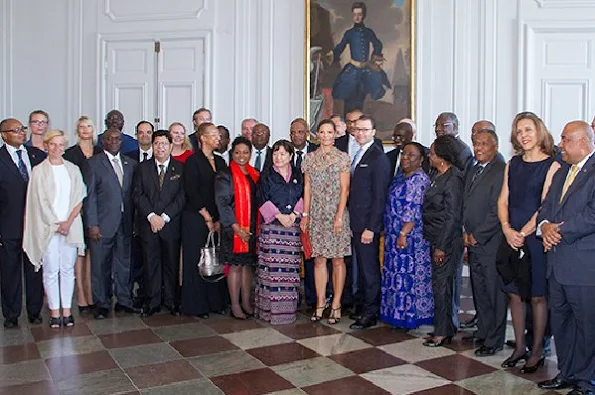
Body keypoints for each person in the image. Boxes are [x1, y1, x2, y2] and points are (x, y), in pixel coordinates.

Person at [497, 111, 559, 372]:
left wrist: (523, 232)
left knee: (537, 296)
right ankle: (520, 347)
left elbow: (545, 205)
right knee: (513, 292)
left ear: (539, 131)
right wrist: (507, 229)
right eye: (519, 131)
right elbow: (503, 200)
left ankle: (537, 352)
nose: (523, 135)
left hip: (534, 238)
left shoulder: (552, 164)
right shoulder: (513, 163)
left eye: (528, 130)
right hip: (511, 236)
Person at [537, 121, 595, 395]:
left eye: (565, 139)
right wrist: (545, 226)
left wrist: (558, 231)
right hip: (557, 265)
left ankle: (587, 382)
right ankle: (567, 373)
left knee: (587, 328)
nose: (560, 144)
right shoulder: (561, 172)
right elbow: (546, 207)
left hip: (584, 266)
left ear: (584, 142)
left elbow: (592, 215)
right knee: (561, 323)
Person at [23, 130, 86, 328]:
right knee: (50, 270)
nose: (57, 148)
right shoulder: (39, 171)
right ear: (47, 145)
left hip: (70, 226)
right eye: (53, 144)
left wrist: (67, 222)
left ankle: (67, 310)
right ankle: (54, 311)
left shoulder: (73, 169)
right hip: (47, 227)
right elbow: (38, 201)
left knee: (67, 269)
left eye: (61, 145)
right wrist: (55, 224)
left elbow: (79, 197)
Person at [301, 120, 351, 324]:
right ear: (317, 134)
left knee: (338, 260)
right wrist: (305, 215)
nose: (325, 135)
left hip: (336, 215)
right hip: (316, 215)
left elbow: (345, 190)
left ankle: (336, 303)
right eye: (322, 132)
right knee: (319, 259)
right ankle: (320, 303)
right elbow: (307, 188)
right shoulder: (309, 158)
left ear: (335, 134)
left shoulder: (342, 158)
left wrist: (339, 216)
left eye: (329, 132)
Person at [85, 128, 139, 319]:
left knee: (124, 264)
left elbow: (133, 196)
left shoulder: (131, 163)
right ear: (103, 142)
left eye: (117, 138)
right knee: (100, 266)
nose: (114, 141)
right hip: (102, 224)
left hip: (125, 223)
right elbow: (89, 196)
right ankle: (102, 303)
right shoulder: (93, 164)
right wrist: (92, 223)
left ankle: (124, 301)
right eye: (110, 138)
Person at [463, 129, 508, 356]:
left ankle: (495, 340)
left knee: (494, 293)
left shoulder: (501, 171)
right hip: (472, 241)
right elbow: (467, 203)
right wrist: (465, 232)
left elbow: (496, 211)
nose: (478, 148)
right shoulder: (473, 168)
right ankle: (483, 331)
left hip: (491, 243)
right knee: (479, 290)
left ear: (495, 147)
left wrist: (478, 235)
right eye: (476, 144)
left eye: (484, 144)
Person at [380, 142, 432, 332]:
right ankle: (395, 313)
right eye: (404, 154)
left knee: (408, 278)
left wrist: (403, 233)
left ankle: (409, 316)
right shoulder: (401, 177)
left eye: (411, 155)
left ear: (421, 160)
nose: (405, 158)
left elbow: (413, 209)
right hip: (394, 234)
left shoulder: (419, 180)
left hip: (409, 237)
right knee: (395, 276)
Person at [133, 130, 186, 317]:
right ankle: (152, 301)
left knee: (172, 265)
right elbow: (138, 194)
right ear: (152, 146)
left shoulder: (180, 168)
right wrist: (151, 217)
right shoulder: (142, 168)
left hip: (170, 225)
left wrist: (164, 218)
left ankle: (172, 301)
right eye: (157, 143)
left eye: (164, 143)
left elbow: (181, 197)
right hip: (149, 225)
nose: (160, 147)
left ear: (171, 146)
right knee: (150, 265)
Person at [0, 118, 45, 328]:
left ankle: (35, 311)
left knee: (34, 269)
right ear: (4, 135)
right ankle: (11, 314)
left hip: (34, 225)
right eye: (15, 130)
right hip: (8, 226)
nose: (21, 133)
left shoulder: (36, 156)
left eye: (22, 129)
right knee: (10, 272)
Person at [181, 122, 228, 318]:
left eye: (219, 135)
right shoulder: (193, 161)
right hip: (196, 218)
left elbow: (225, 191)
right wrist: (207, 217)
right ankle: (196, 306)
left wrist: (218, 219)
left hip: (217, 218)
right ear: (202, 138)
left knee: (216, 259)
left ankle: (215, 302)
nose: (218, 138)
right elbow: (191, 190)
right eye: (214, 135)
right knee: (197, 261)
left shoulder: (220, 161)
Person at [349, 115, 391, 330]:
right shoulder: (358, 153)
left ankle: (371, 313)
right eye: (357, 129)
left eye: (365, 130)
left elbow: (379, 197)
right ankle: (363, 306)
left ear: (374, 132)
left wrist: (371, 228)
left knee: (369, 270)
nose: (360, 133)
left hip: (367, 226)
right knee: (361, 270)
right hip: (355, 223)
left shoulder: (378, 157)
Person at [255, 140, 304, 325]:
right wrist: (278, 215)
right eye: (275, 153)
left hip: (292, 229)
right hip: (272, 229)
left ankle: (288, 312)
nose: (278, 157)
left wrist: (294, 214)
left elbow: (304, 195)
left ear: (290, 156)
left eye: (283, 154)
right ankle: (270, 312)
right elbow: (261, 197)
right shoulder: (266, 175)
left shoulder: (298, 174)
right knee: (271, 272)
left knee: (289, 272)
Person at [422, 135, 465, 347]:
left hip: (446, 242)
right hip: (435, 238)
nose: (428, 156)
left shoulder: (454, 179)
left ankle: (443, 331)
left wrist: (440, 246)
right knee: (440, 286)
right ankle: (443, 326)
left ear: (441, 157)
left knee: (443, 287)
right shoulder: (437, 175)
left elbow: (452, 217)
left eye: (431, 153)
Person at [433, 112, 473, 330]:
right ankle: (446, 319)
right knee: (442, 282)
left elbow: (460, 199)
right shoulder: (439, 154)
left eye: (444, 125)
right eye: (436, 125)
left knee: (449, 280)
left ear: (456, 127)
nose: (439, 129)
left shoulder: (461, 153)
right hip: (440, 228)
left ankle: (450, 321)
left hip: (453, 228)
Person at [215, 136, 259, 320]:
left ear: (250, 154)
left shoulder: (254, 174)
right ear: (232, 153)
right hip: (233, 229)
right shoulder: (225, 175)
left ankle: (246, 302)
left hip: (251, 229)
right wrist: (237, 229)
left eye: (246, 152)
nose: (241, 156)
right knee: (235, 266)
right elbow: (222, 204)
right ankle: (234, 305)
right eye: (237, 152)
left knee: (247, 266)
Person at [63, 116, 102, 314]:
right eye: (81, 127)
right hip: (77, 208)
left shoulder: (100, 151)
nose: (85, 129)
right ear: (77, 130)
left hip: (96, 209)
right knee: (80, 253)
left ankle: (93, 293)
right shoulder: (70, 154)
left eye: (89, 126)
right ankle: (81, 296)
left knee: (94, 255)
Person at [329, 2, 391, 114]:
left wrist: (375, 57)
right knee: (349, 98)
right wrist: (330, 56)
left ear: (363, 16)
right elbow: (340, 47)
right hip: (352, 71)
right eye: (355, 14)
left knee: (362, 98)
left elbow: (378, 44)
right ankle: (348, 126)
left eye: (359, 14)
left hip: (366, 70)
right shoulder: (349, 33)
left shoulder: (368, 32)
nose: (357, 17)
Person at [289, 118, 319, 308]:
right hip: (289, 214)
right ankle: (292, 296)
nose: (296, 136)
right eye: (293, 132)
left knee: (310, 257)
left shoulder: (316, 152)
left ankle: (312, 297)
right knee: (291, 257)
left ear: (307, 133)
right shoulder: (282, 151)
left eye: (300, 132)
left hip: (312, 213)